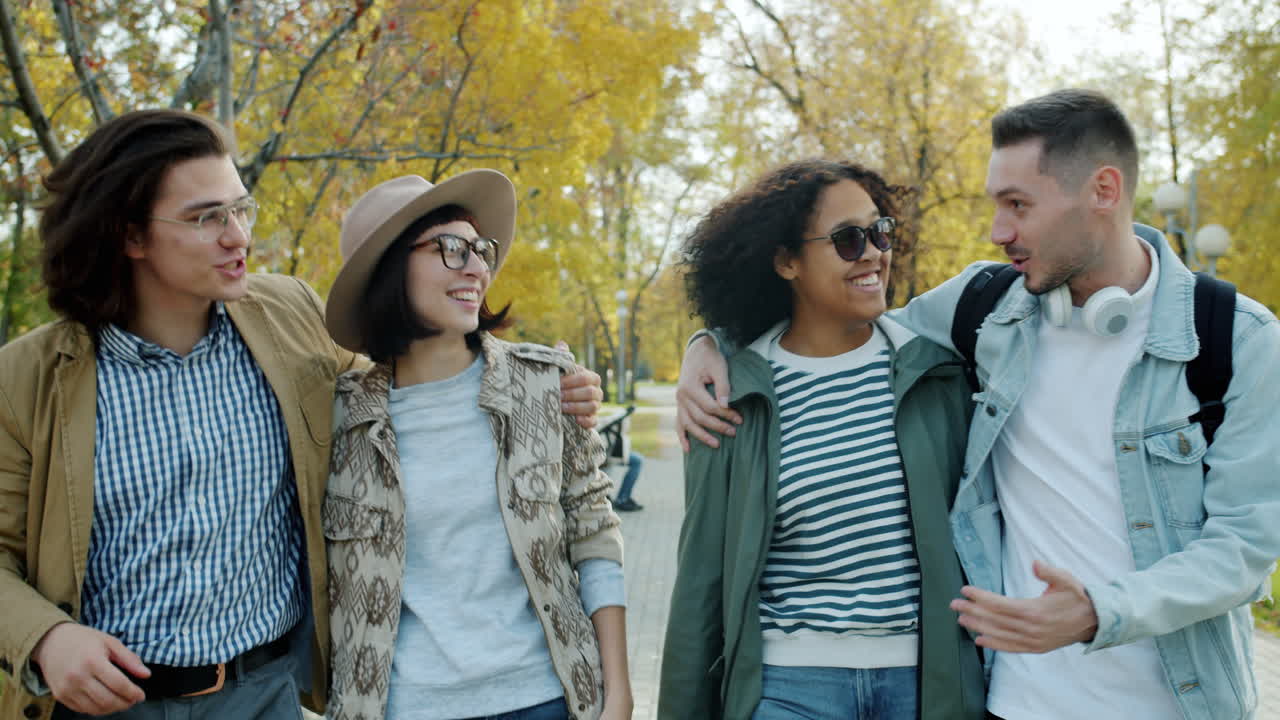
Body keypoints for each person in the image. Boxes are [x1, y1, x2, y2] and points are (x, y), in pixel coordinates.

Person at [676, 89, 1280, 720]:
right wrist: (712, 343)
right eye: (996, 204)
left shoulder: (1235, 339)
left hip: (1179, 705)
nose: (998, 232)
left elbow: (1242, 549)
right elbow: (828, 323)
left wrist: (1102, 610)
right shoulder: (985, 309)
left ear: (1103, 191)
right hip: (1010, 703)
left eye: (1018, 205)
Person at [0, 109, 603, 720]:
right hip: (108, 704)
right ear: (130, 236)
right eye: (207, 218)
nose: (238, 236)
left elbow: (415, 371)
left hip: (266, 695)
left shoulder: (291, 317)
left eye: (241, 210)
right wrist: (45, 638)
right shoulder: (27, 381)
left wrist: (552, 383)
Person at [658, 159, 985, 720]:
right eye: (848, 240)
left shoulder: (939, 374)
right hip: (790, 688)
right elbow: (701, 584)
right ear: (786, 261)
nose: (874, 254)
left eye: (880, 232)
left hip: (926, 686)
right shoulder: (732, 396)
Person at [320, 172, 633, 720]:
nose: (477, 267)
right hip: (402, 708)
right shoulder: (339, 417)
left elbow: (594, 533)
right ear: (390, 268)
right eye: (450, 248)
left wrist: (619, 692)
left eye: (480, 250)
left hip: (545, 699)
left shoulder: (545, 386)